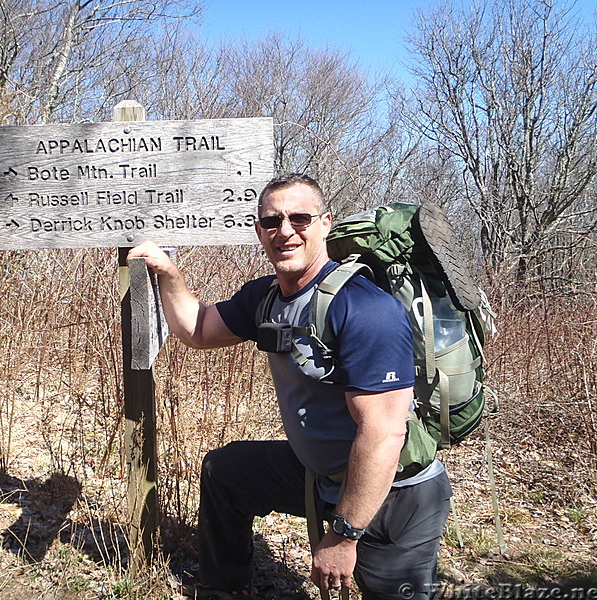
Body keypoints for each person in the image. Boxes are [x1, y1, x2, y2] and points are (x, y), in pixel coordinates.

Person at [128, 173, 452, 600]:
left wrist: (343, 536)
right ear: (259, 230)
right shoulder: (265, 296)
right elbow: (199, 330)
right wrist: (169, 273)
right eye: (271, 221)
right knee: (226, 471)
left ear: (325, 223)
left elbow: (384, 434)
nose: (285, 231)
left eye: (300, 218)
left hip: (392, 494)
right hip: (317, 474)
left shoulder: (365, 307)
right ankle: (223, 589)